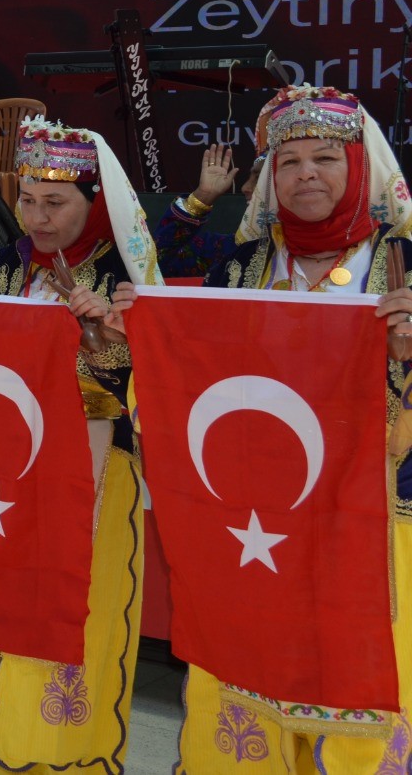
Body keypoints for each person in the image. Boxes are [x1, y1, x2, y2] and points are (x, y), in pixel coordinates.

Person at [165, 85, 412, 771]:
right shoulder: (241, 267)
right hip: (257, 523)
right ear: (269, 179)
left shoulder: (404, 259)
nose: (306, 172)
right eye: (289, 160)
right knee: (255, 689)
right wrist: (123, 339)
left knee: (355, 700)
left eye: (325, 157)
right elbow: (190, 372)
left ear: (359, 164)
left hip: (375, 525)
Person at [0, 116, 161, 775]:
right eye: (29, 200)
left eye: (56, 203)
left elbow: (142, 394)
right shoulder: (0, 266)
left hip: (93, 481)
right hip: (7, 478)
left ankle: (63, 762)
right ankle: (9, 752)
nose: (37, 218)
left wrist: (104, 339)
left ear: (96, 204)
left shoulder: (129, 280)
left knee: (77, 627)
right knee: (8, 623)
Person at [152, 142, 264, 278]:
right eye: (250, 178)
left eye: (259, 179)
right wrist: (201, 199)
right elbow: (155, 264)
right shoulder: (227, 250)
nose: (245, 188)